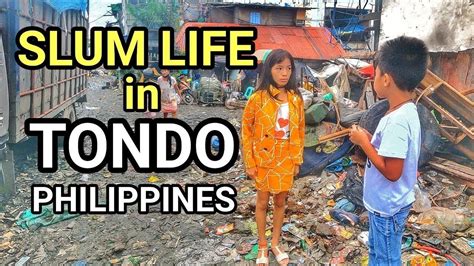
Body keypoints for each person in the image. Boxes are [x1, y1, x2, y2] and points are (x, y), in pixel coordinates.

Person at [349, 36, 428, 265]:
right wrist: (370, 139)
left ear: (386, 79)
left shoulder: (397, 121)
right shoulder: (406, 110)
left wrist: (364, 143)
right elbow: (391, 151)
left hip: (387, 208)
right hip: (387, 204)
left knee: (386, 259)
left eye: (375, 74)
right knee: (377, 252)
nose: (374, 79)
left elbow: (392, 172)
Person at [241, 49, 305, 266]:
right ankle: (262, 244)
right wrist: (249, 162)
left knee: (280, 201)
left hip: (286, 159)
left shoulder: (296, 99)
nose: (284, 73)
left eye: (288, 68)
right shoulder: (257, 99)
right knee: (261, 202)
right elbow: (246, 130)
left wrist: (297, 160)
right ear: (269, 70)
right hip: (264, 159)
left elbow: (299, 131)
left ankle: (275, 242)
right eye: (279, 68)